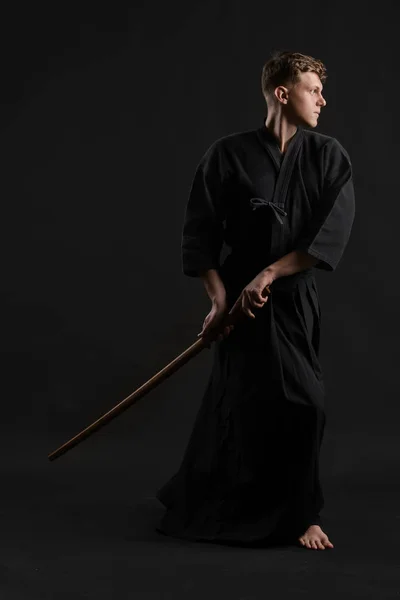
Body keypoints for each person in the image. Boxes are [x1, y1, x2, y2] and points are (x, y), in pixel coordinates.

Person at [155, 51, 355, 551]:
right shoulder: (226, 155)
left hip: (290, 298)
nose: (322, 100)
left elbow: (327, 235)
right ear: (283, 94)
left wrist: (269, 272)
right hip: (239, 306)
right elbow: (200, 234)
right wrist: (219, 300)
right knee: (243, 405)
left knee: (306, 404)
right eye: (313, 90)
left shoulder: (329, 156)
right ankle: (238, 503)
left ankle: (301, 513)